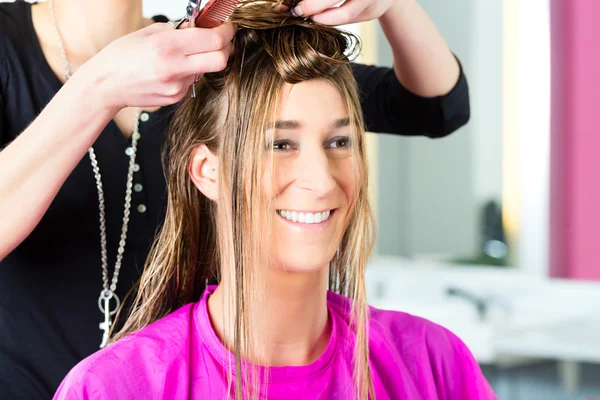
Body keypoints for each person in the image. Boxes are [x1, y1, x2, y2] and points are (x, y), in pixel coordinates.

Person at [0, 0, 469, 398]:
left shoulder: (199, 58)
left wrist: (393, 3)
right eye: (281, 144)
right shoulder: (9, 47)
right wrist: (95, 91)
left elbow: (436, 105)